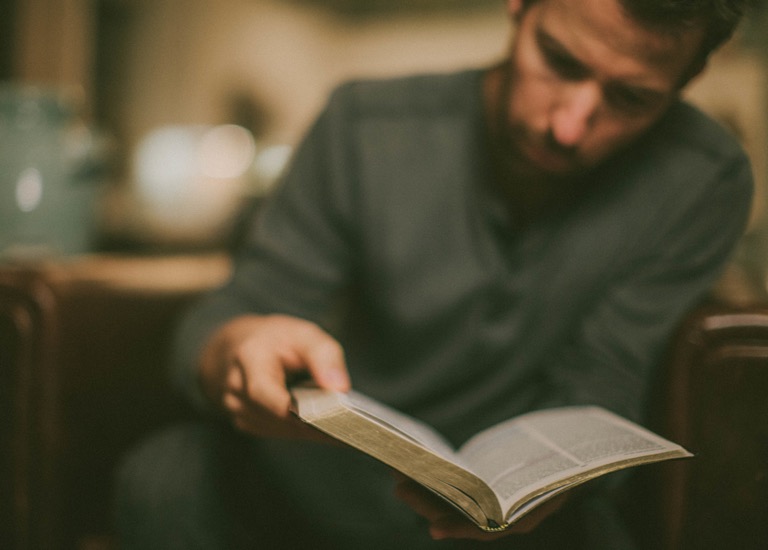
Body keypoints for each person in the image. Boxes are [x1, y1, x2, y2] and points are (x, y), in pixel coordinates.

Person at [116, 0, 753, 548]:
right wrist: (240, 346)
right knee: (168, 475)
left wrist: (551, 491)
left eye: (632, 98)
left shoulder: (704, 179)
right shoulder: (364, 127)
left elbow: (608, 379)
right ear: (518, 5)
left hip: (533, 514)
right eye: (559, 61)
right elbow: (228, 315)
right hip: (332, 473)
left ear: (688, 80)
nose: (570, 125)